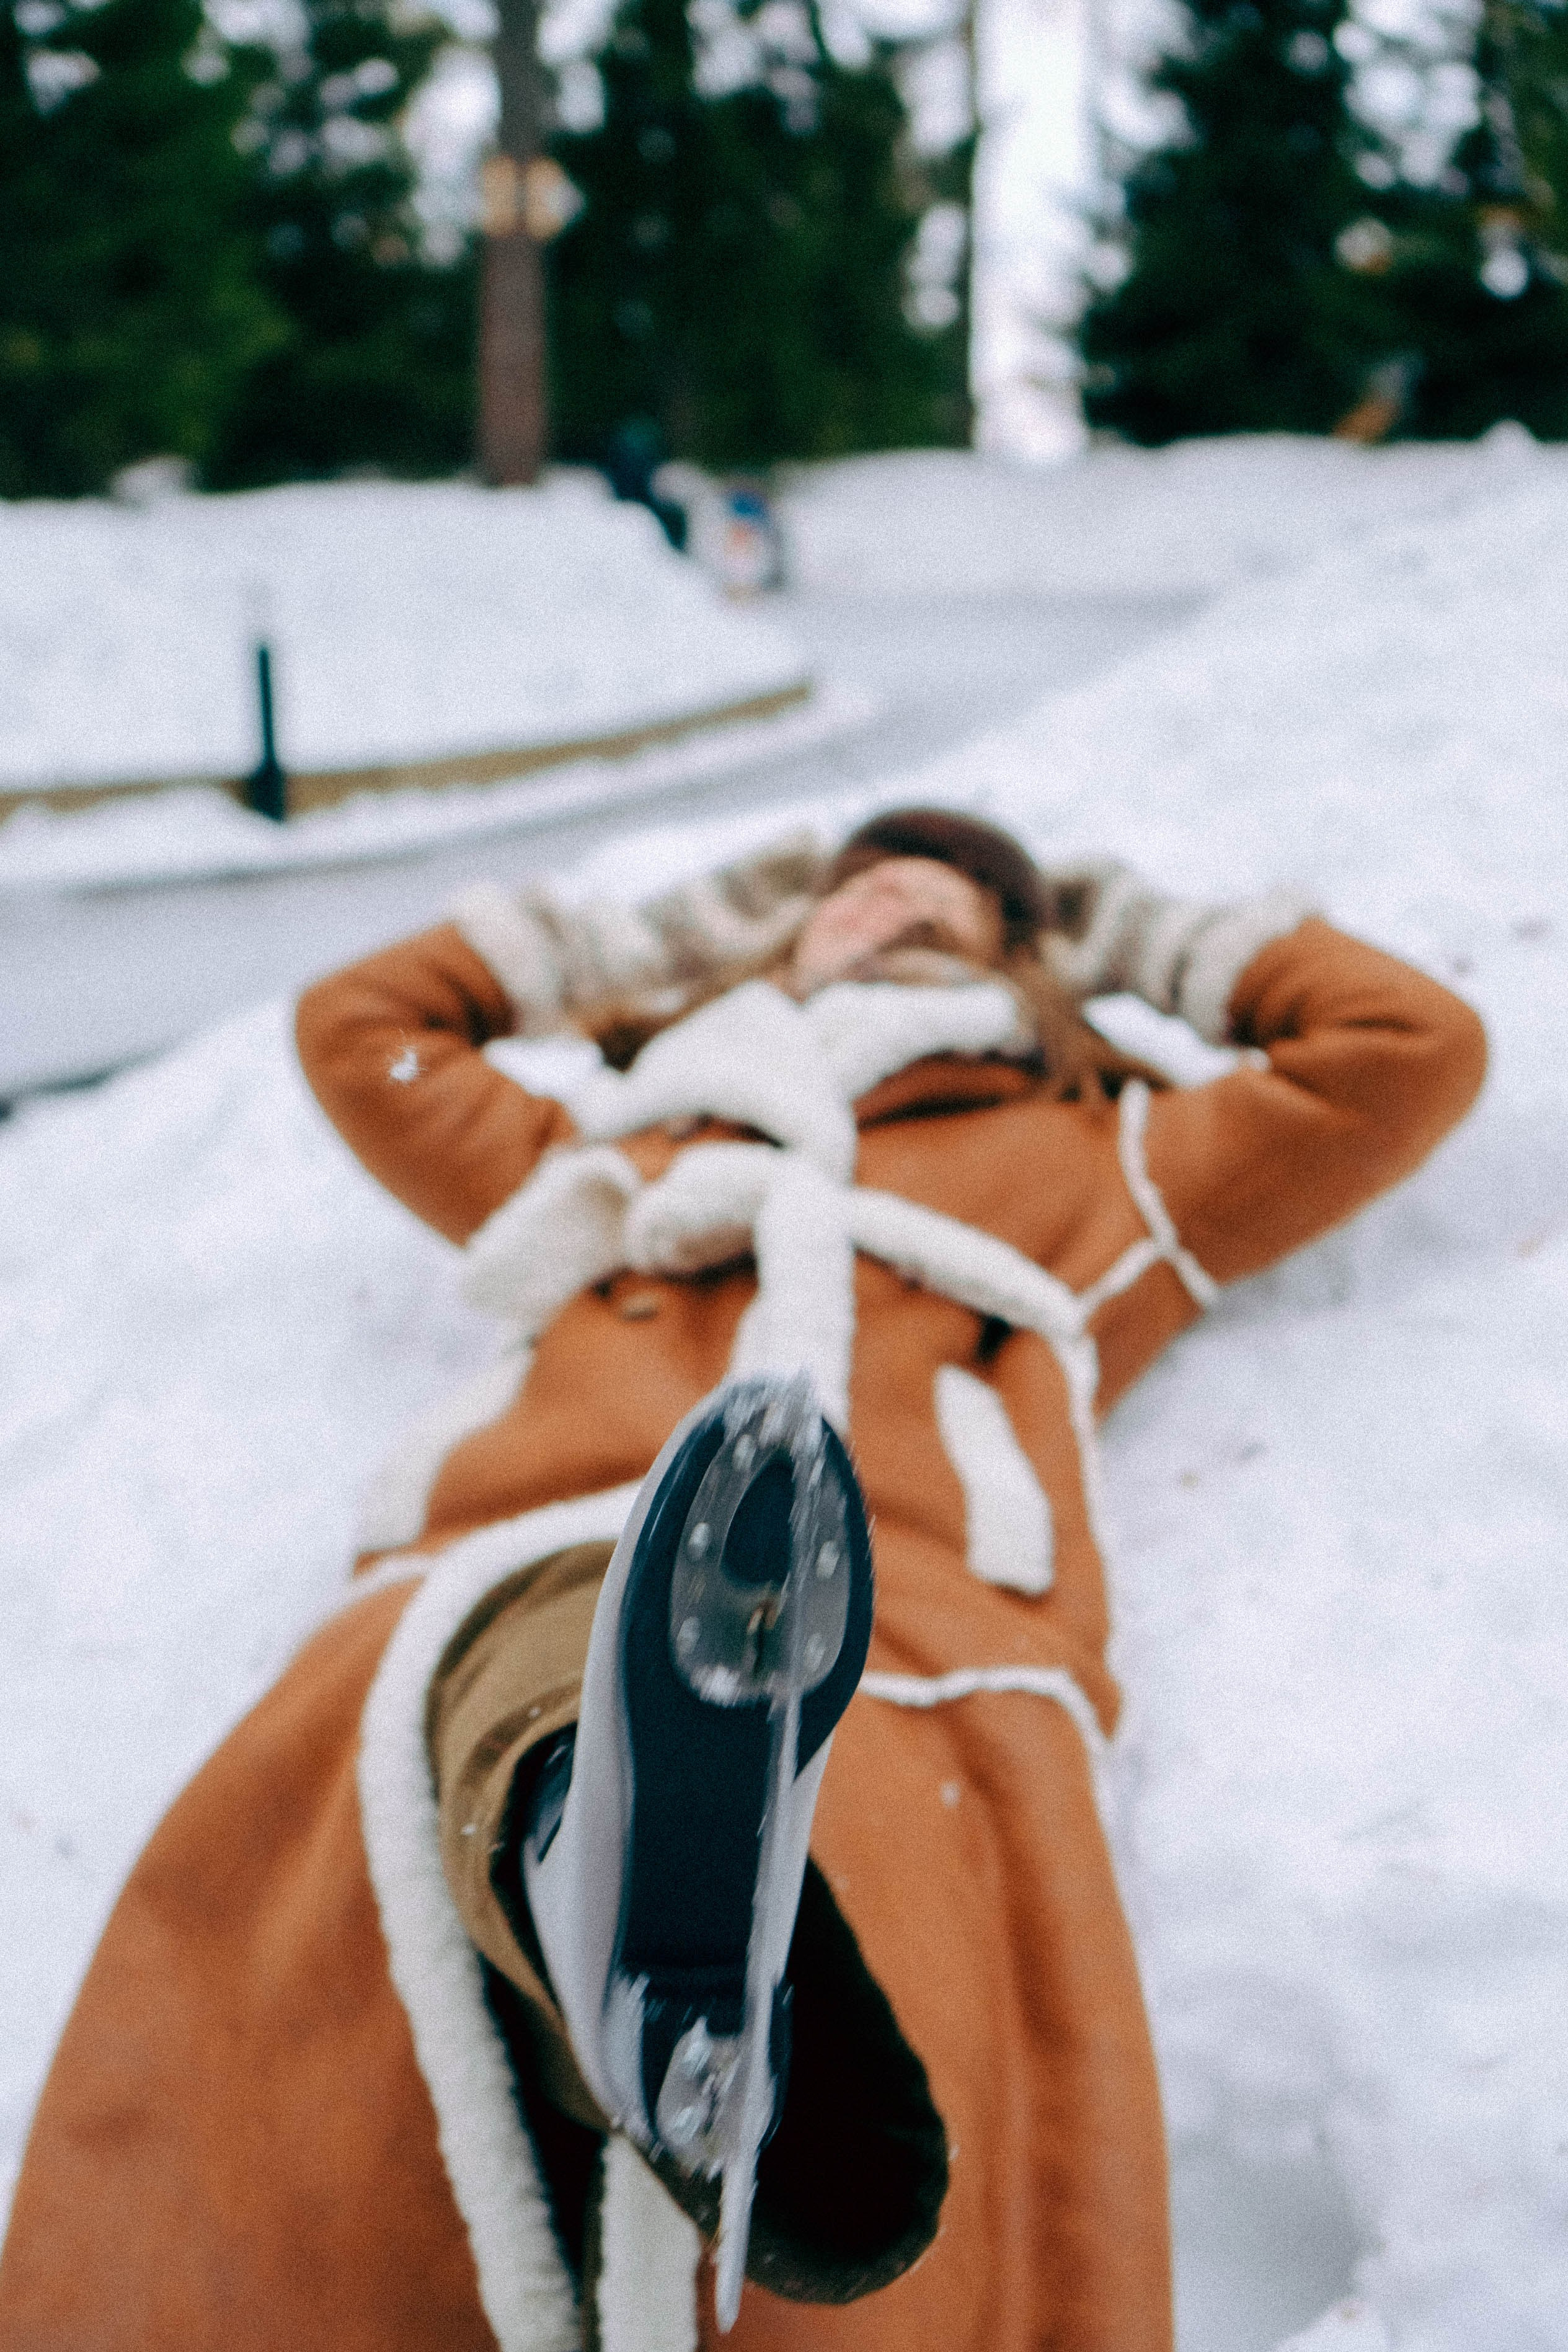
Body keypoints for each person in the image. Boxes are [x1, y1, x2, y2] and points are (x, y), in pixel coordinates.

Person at [0, 809, 1487, 2352]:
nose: (898, 893)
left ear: (1025, 954)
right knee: (339, 2033)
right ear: (779, 929)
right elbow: (360, 1030)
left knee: (852, 1896)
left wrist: (1119, 924)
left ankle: (613, 1865)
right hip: (495, 1571)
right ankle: (605, 1854)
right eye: (855, 885)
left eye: (960, 896)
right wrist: (652, 939)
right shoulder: (627, 1141)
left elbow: (1406, 1046)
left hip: (887, 1629)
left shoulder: (1096, 1142)